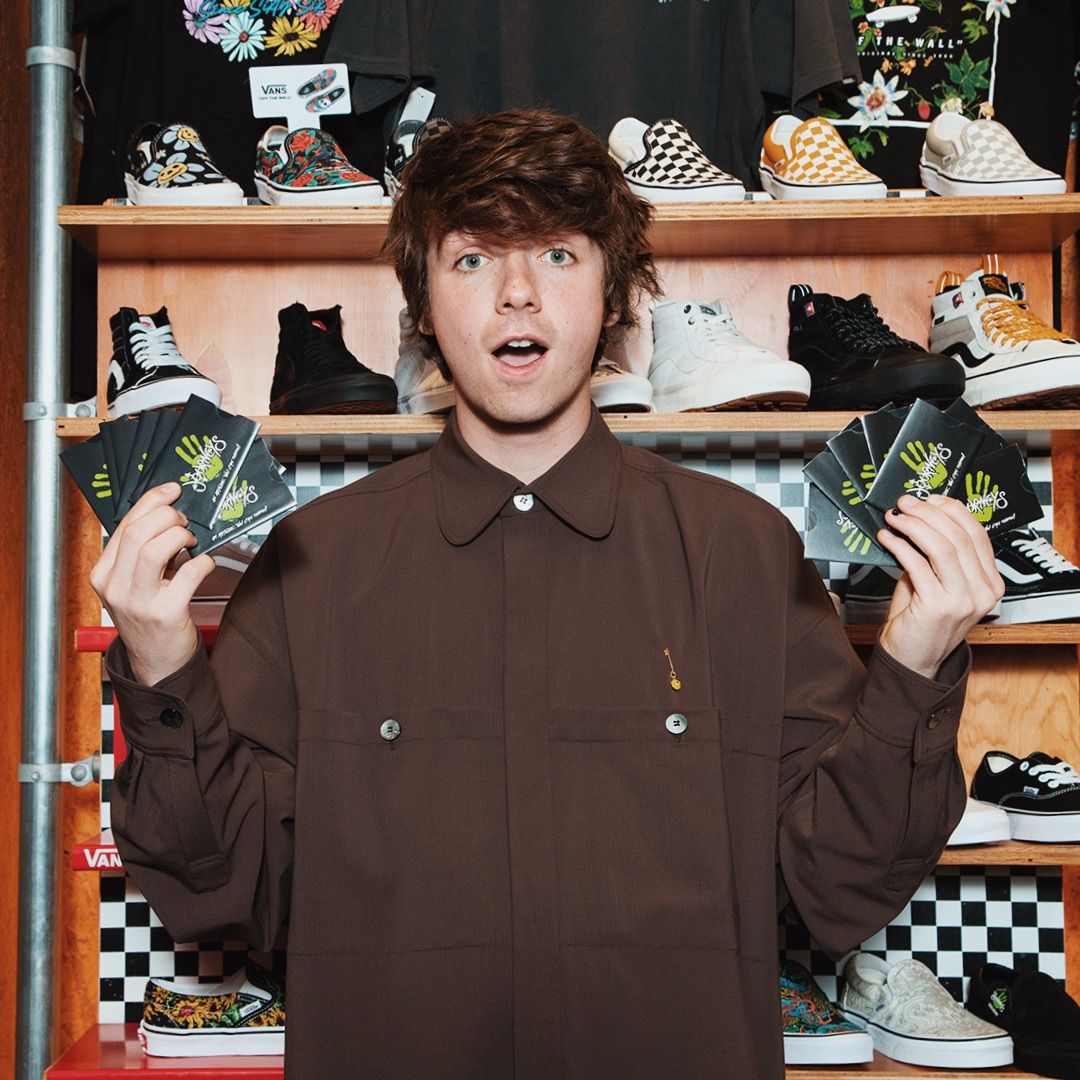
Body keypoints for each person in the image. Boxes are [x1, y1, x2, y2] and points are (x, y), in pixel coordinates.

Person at [92, 109, 1004, 1080]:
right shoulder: (314, 562)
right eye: (474, 259)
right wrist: (160, 670)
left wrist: (911, 668)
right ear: (422, 303)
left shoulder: (741, 556)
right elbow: (220, 892)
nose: (518, 294)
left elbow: (838, 891)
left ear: (616, 298)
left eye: (560, 256)